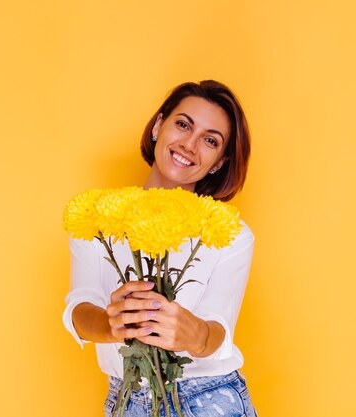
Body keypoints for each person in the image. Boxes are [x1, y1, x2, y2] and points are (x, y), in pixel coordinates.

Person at [63, 80, 257, 416]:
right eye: (183, 124)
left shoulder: (230, 232)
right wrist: (112, 325)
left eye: (210, 140)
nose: (190, 145)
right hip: (126, 402)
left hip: (209, 400)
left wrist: (192, 335)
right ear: (158, 126)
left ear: (219, 162)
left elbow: (217, 332)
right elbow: (79, 309)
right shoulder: (97, 217)